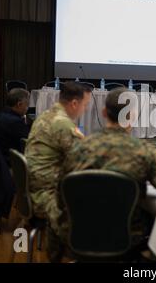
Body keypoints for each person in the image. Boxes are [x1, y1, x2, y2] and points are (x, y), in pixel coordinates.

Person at [50, 88, 156, 261]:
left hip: (76, 237)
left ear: (104, 113)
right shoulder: (143, 151)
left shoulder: (78, 148)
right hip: (128, 240)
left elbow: (60, 197)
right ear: (132, 116)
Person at [25, 81, 91, 221]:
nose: (85, 109)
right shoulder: (63, 124)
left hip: (35, 191)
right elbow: (86, 160)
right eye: (85, 105)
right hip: (49, 197)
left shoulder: (45, 116)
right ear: (74, 104)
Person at [0, 88, 30, 163]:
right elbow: (28, 141)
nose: (27, 109)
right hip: (8, 162)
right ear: (19, 104)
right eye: (27, 105)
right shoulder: (16, 122)